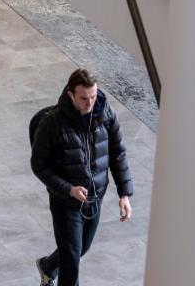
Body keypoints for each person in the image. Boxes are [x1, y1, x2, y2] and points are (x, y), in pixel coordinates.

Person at [31, 69, 133, 286]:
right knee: (71, 262)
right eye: (84, 98)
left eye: (94, 96)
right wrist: (69, 189)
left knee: (81, 248)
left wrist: (124, 194)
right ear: (70, 94)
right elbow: (39, 165)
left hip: (95, 197)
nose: (90, 103)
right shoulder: (52, 123)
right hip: (66, 202)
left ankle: (48, 266)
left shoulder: (106, 114)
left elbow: (118, 153)